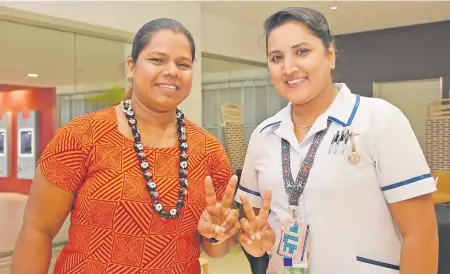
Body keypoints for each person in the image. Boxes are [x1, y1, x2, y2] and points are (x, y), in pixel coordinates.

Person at [11, 18, 273, 274]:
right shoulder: (83, 135)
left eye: (183, 64)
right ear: (131, 67)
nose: (171, 70)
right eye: (157, 60)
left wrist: (218, 235)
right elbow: (37, 230)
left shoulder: (208, 150)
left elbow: (216, 249)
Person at [235, 7, 439, 274]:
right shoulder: (264, 135)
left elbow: (420, 235)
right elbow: (255, 225)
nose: (288, 68)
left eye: (302, 51)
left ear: (330, 54)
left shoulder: (379, 119)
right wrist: (257, 242)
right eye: (276, 57)